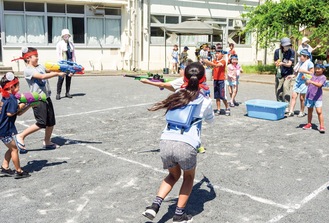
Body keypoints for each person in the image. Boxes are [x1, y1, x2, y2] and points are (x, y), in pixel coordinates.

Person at [142, 62, 214, 222]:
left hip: (165, 141)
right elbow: (211, 121)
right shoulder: (205, 100)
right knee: (188, 178)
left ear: (185, 77)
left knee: (172, 175)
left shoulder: (178, 94)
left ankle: (154, 206)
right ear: (203, 78)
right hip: (186, 145)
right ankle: (179, 214)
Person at [12, 47, 66, 153]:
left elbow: (50, 70)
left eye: (37, 56)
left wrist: (64, 70)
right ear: (28, 58)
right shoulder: (28, 70)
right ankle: (21, 136)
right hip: (38, 98)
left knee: (51, 122)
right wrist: (57, 74)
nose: (37, 58)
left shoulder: (40, 66)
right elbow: (42, 76)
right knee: (41, 122)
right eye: (35, 56)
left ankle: (47, 142)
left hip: (46, 97)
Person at [0, 72, 31, 179]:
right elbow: (10, 113)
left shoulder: (6, 97)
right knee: (14, 150)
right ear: (12, 86)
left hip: (3, 129)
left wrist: (28, 105)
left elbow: (18, 112)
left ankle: (5, 167)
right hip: (5, 130)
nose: (19, 87)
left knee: (11, 148)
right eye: (17, 85)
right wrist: (22, 104)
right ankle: (19, 171)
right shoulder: (12, 99)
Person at [287, 49, 314, 117]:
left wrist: (304, 71)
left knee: (302, 98)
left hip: (304, 82)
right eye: (300, 56)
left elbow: (312, 74)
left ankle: (301, 111)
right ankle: (291, 111)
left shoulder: (309, 63)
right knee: (293, 96)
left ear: (306, 56)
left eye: (302, 56)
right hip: (297, 81)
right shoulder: (300, 62)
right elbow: (296, 72)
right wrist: (292, 76)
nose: (300, 57)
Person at [204, 49, 230, 116]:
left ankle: (227, 108)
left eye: (218, 53)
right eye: (216, 53)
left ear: (222, 55)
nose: (216, 55)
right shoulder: (214, 61)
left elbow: (216, 65)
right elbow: (209, 65)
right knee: (217, 96)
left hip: (222, 80)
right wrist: (205, 61)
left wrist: (208, 62)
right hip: (215, 80)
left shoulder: (223, 61)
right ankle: (218, 109)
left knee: (223, 96)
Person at [302, 62, 327, 133]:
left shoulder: (323, 77)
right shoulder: (311, 75)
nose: (317, 70)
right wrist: (306, 81)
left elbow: (319, 85)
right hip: (309, 96)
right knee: (310, 110)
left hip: (318, 97)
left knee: (319, 112)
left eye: (319, 69)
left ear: (323, 69)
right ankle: (309, 124)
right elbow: (306, 82)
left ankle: (322, 126)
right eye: (316, 68)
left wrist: (311, 82)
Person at [274, 37, 295, 104]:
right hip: (279, 73)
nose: (287, 47)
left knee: (286, 87)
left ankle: (286, 104)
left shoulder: (292, 52)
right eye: (286, 45)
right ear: (282, 45)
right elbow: (275, 61)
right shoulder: (277, 52)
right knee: (279, 89)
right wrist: (277, 63)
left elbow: (289, 64)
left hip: (288, 73)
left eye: (288, 45)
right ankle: (279, 103)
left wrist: (282, 63)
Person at [56, 29, 76, 100]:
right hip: (63, 63)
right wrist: (60, 63)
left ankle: (67, 92)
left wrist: (74, 63)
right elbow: (58, 54)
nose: (66, 36)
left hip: (70, 62)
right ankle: (58, 93)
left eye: (67, 35)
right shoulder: (59, 44)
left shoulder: (71, 44)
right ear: (62, 36)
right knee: (61, 78)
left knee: (69, 78)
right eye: (65, 35)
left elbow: (73, 54)